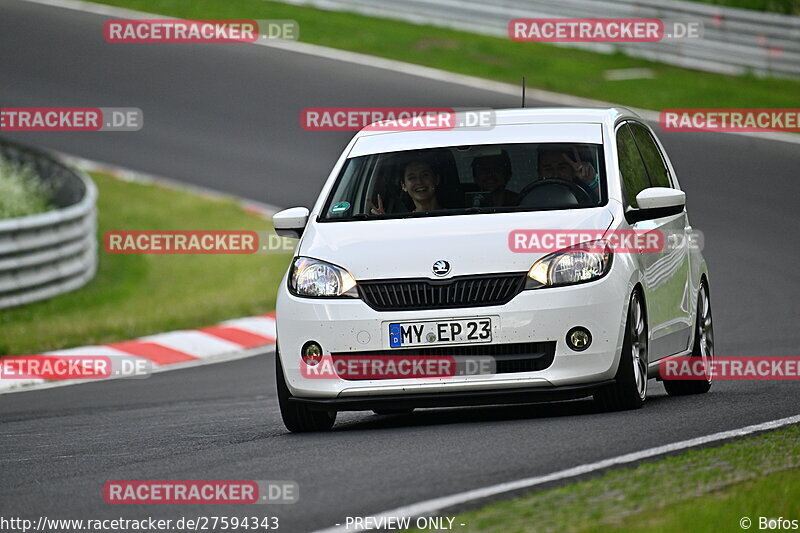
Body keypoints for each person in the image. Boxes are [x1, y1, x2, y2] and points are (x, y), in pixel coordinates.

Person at [370, 159, 442, 214]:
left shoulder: (452, 215)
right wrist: (384, 223)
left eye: (425, 175)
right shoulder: (403, 222)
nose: (419, 182)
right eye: (412, 178)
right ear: (403, 186)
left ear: (436, 179)